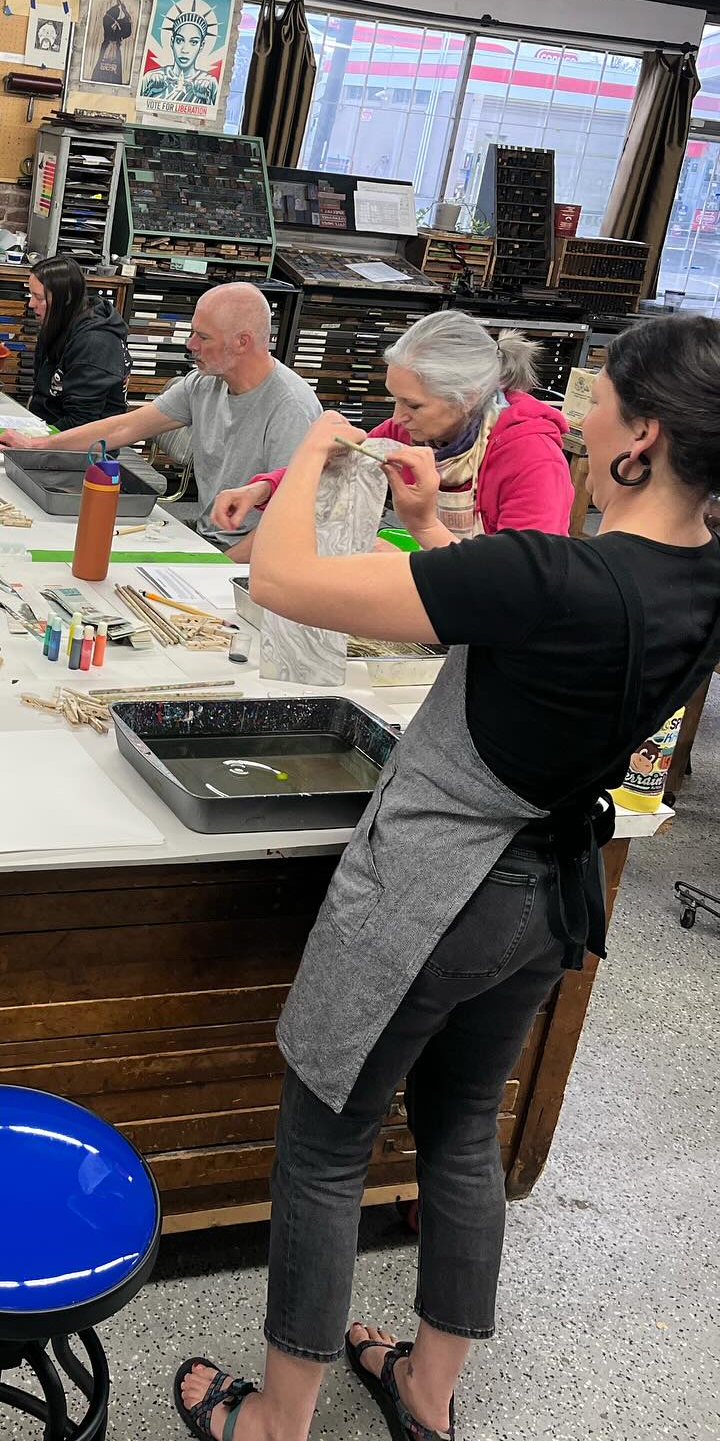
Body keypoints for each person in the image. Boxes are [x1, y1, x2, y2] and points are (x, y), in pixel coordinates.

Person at [173, 313, 720, 1441]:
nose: (579, 413)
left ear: (644, 440)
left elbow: (280, 577)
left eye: (601, 399)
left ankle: (278, 1417)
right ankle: (427, 1389)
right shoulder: (695, 583)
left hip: (439, 889)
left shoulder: (549, 570)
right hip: (550, 889)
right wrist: (427, 523)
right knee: (463, 1128)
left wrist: (318, 445)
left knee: (326, 1140)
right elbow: (511, 635)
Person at [211, 309, 572, 558]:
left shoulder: (530, 455)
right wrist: (264, 487)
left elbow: (524, 578)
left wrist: (419, 543)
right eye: (395, 399)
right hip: (462, 585)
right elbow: (342, 461)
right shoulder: (413, 430)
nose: (399, 417)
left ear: (468, 398)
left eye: (413, 405)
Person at [0, 283, 319, 544]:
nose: (190, 345)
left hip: (250, 555)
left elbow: (287, 526)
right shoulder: (203, 383)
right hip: (208, 535)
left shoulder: (290, 408)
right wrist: (36, 445)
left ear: (242, 342)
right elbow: (125, 427)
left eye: (202, 337)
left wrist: (215, 567)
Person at [22, 255, 130, 431]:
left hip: (84, 447)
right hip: (47, 429)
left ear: (65, 300)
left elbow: (82, 424)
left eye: (39, 297)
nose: (31, 304)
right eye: (30, 295)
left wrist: (32, 442)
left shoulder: (95, 344)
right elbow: (41, 392)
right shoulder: (56, 324)